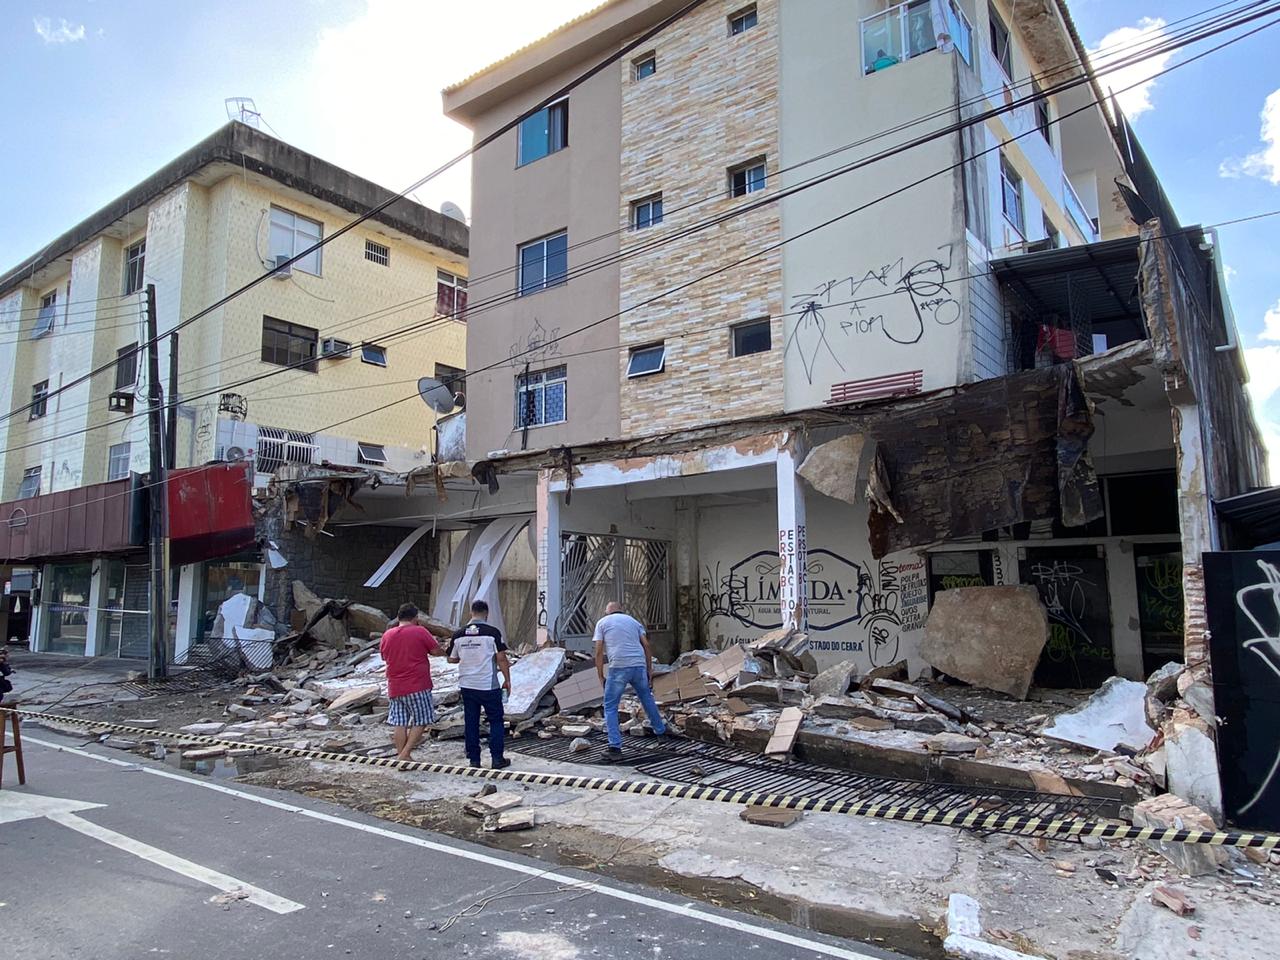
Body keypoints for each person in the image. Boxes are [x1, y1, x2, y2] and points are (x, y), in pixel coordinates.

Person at [593, 601, 671, 762]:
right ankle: (662, 734)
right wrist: (649, 669)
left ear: (608, 612)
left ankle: (614, 748)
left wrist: (600, 675)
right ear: (621, 611)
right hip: (638, 665)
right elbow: (647, 646)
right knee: (646, 698)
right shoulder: (634, 622)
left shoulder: (602, 622)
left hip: (619, 667)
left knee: (610, 706)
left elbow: (599, 651)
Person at [448, 599, 513, 769]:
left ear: (471, 613)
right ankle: (497, 758)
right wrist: (507, 680)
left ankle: (474, 760)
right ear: (487, 613)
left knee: (471, 721)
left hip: (467, 684)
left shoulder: (459, 634)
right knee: (496, 720)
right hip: (487, 684)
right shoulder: (492, 633)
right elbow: (501, 658)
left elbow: (452, 659)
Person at [379, 603, 444, 760]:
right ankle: (405, 753)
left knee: (399, 722)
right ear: (416, 618)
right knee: (421, 720)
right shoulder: (420, 631)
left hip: (394, 685)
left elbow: (383, 656)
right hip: (417, 684)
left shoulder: (387, 635)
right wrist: (445, 651)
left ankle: (402, 755)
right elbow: (435, 651)